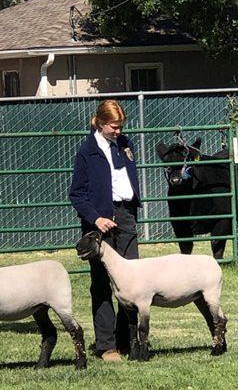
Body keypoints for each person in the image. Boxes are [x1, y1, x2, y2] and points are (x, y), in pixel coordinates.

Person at [69, 99, 141, 362]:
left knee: (132, 283)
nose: (118, 131)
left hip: (126, 216)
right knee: (101, 283)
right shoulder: (87, 152)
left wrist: (131, 208)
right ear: (100, 123)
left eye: (121, 126)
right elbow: (77, 194)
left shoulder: (125, 145)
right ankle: (106, 345)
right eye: (114, 126)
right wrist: (96, 218)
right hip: (100, 222)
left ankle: (129, 341)